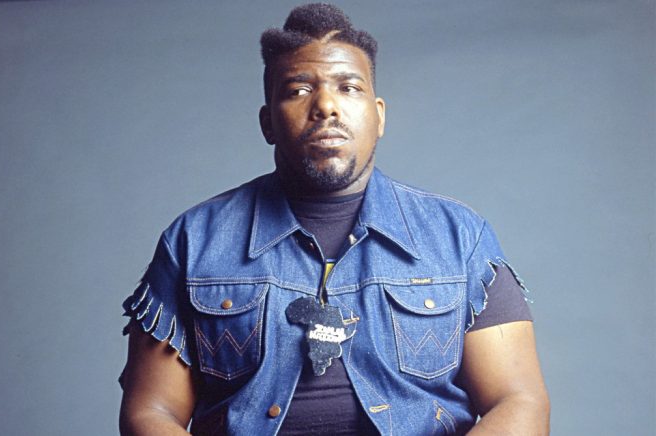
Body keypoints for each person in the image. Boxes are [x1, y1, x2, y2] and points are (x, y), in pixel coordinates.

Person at [119, 4, 550, 435]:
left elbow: (519, 401)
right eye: (299, 90)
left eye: (348, 88)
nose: (326, 105)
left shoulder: (459, 237)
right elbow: (151, 411)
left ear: (378, 116)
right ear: (268, 123)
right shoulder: (194, 241)